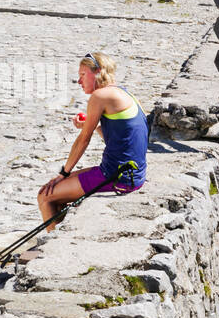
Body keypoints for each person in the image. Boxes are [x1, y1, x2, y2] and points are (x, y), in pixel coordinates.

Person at [36, 52, 148, 230]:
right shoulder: (124, 93)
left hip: (117, 177)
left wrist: (63, 174)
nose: (79, 81)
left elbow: (83, 140)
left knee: (45, 195)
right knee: (58, 197)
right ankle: (59, 237)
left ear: (97, 72)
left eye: (82, 75)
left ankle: (48, 250)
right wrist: (95, 126)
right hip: (132, 175)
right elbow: (119, 142)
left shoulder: (100, 96)